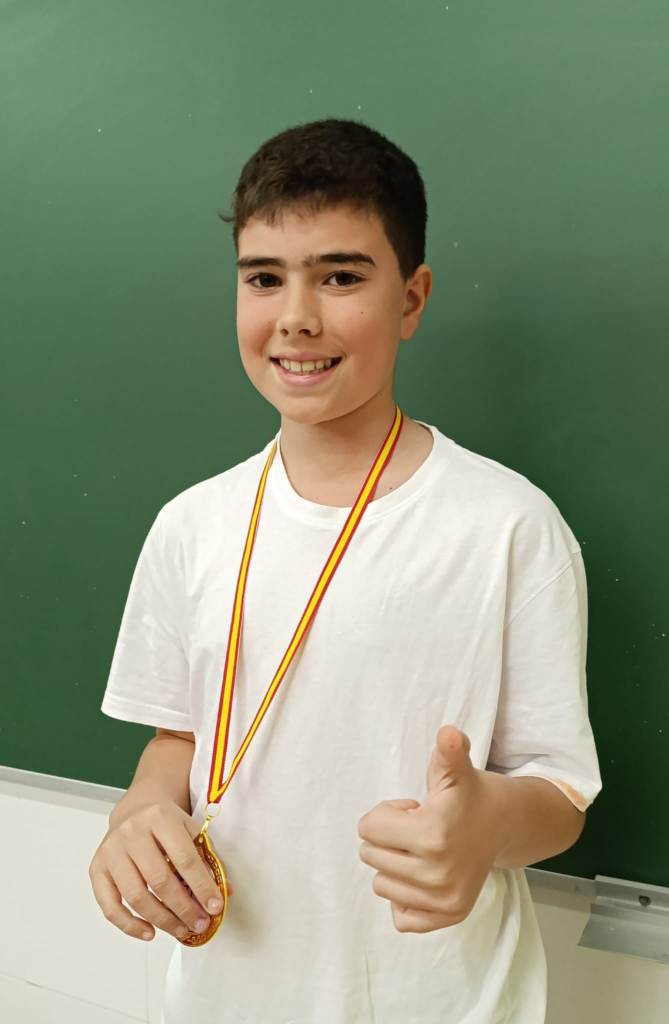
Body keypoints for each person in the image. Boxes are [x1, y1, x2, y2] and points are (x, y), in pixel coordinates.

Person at [89, 117, 602, 1023]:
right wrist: (137, 812)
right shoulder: (191, 525)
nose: (295, 316)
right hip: (225, 996)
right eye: (263, 278)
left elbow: (559, 797)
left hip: (439, 998)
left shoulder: (507, 527)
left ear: (411, 298)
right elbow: (179, 739)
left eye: (340, 277)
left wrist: (484, 826)